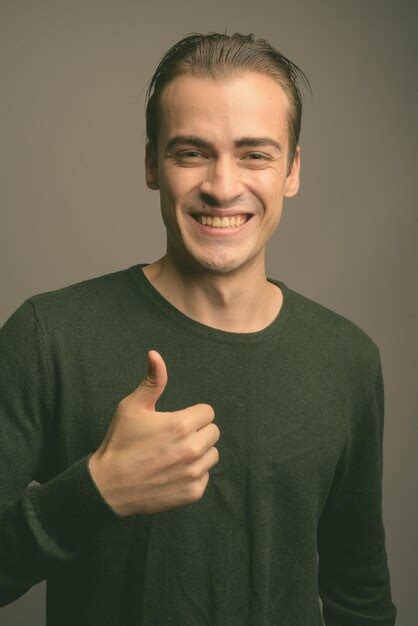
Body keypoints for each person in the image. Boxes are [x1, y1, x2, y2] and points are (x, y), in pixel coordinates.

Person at [0, 32, 397, 625]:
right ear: (150, 164)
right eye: (192, 152)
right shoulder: (47, 335)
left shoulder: (346, 358)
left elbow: (359, 594)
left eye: (255, 154)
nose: (222, 185)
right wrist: (97, 491)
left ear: (291, 170)